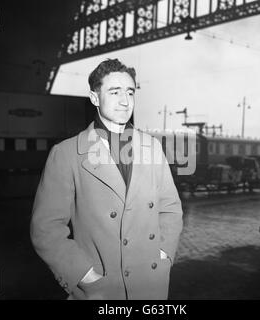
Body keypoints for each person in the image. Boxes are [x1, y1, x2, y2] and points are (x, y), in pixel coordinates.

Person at [30, 58, 183, 300]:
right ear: (94, 97)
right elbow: (46, 229)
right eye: (115, 92)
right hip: (101, 291)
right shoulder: (67, 153)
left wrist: (163, 254)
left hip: (151, 286)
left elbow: (170, 208)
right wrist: (85, 276)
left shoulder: (152, 147)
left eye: (130, 92)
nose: (125, 101)